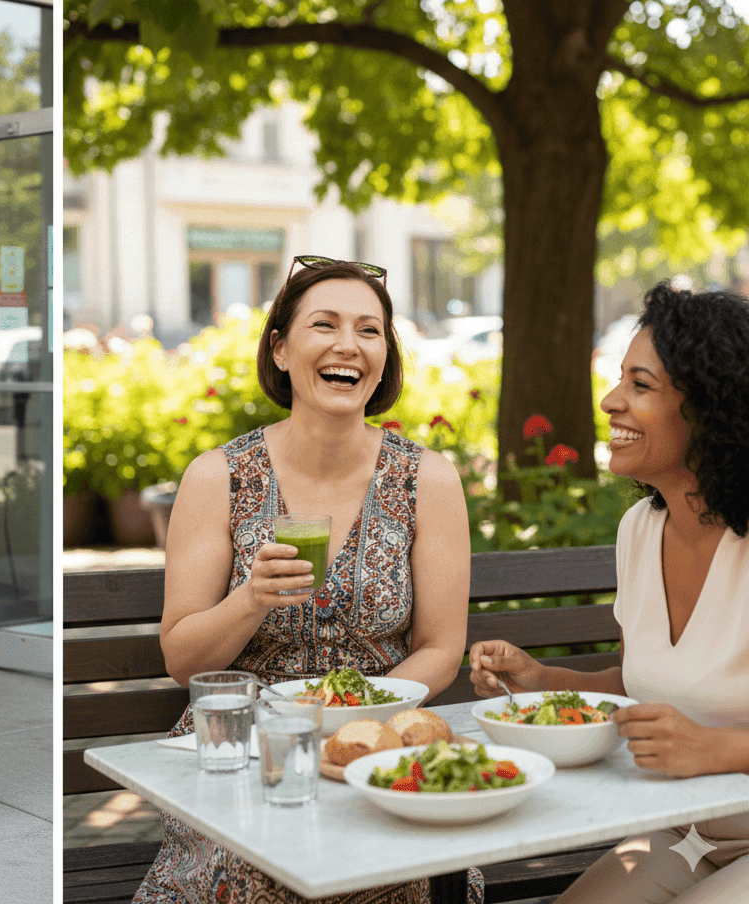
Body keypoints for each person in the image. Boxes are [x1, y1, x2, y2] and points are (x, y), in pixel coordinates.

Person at [135, 256, 479, 904]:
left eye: (369, 330)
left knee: (394, 870)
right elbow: (182, 658)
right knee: (257, 871)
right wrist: (251, 599)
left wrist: (363, 711)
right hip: (244, 750)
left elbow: (441, 646)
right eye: (324, 324)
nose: (348, 344)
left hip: (372, 746)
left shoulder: (426, 480)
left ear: (385, 356)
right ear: (282, 347)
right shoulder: (220, 477)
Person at [469, 281, 749, 903]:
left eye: (640, 386)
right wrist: (541, 680)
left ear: (710, 407)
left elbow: (704, 730)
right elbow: (638, 683)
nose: (609, 400)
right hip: (685, 832)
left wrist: (717, 748)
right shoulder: (639, 531)